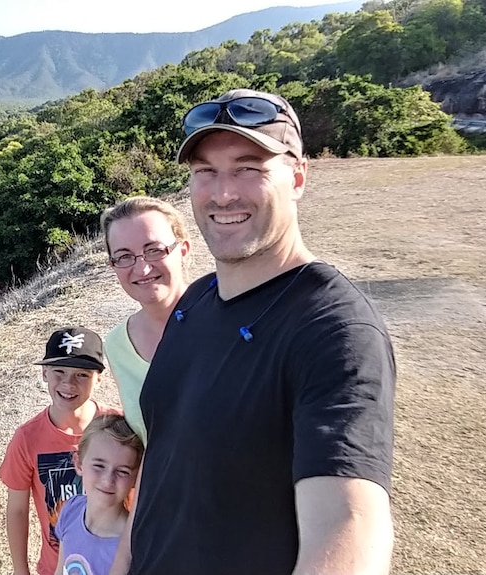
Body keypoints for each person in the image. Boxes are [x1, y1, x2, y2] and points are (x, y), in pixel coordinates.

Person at [122, 89, 397, 575]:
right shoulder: (195, 302)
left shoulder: (332, 329)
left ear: (297, 176)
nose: (223, 193)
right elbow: (163, 469)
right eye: (205, 171)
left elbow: (349, 521)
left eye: (249, 167)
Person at [0, 326, 117, 575]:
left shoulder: (119, 429)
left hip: (118, 563)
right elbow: (18, 510)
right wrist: (22, 571)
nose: (68, 383)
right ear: (44, 373)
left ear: (99, 377)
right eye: (59, 372)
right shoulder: (27, 438)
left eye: (82, 375)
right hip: (59, 567)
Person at [99, 196, 191, 445]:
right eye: (124, 256)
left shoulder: (228, 318)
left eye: (154, 250)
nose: (142, 269)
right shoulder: (117, 345)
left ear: (182, 250)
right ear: (113, 265)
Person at [53, 414, 144, 575]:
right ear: (79, 463)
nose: (108, 480)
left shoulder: (133, 545)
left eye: (122, 471)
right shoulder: (71, 510)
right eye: (99, 466)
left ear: (135, 478)